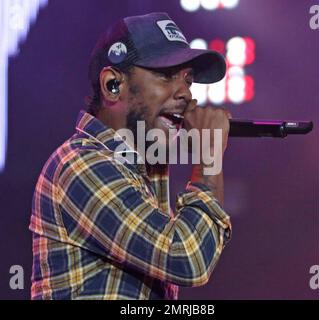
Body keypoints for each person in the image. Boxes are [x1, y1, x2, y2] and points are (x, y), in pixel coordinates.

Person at [29, 12, 232, 300]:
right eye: (165, 75)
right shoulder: (82, 164)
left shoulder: (144, 167)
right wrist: (208, 156)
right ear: (113, 84)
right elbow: (187, 258)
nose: (185, 92)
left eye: (187, 79)